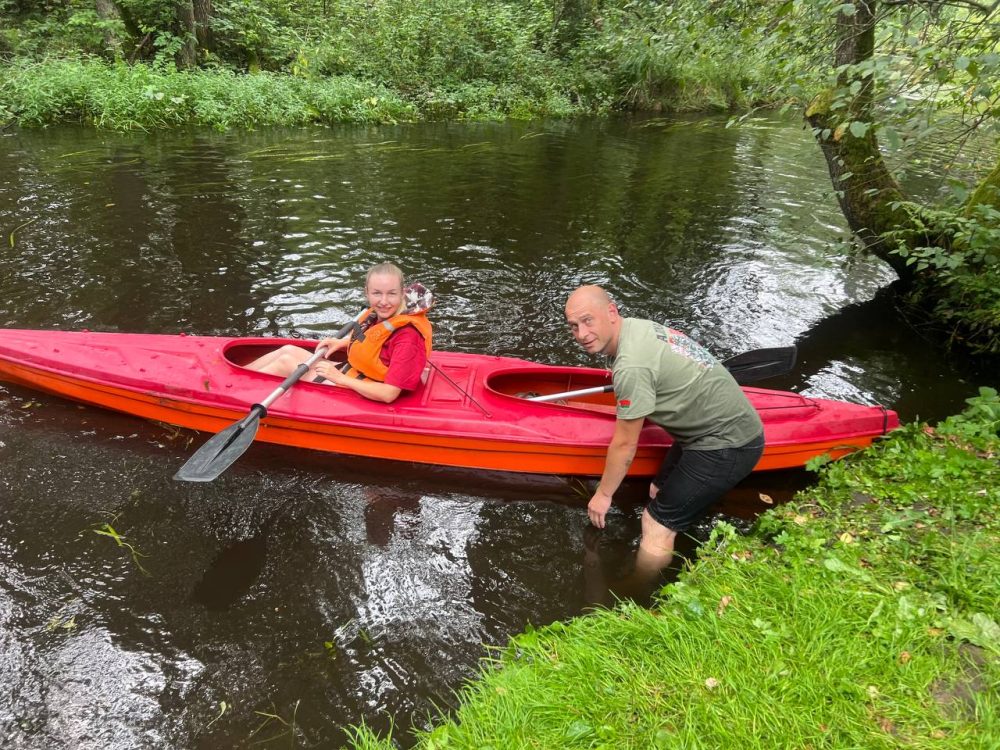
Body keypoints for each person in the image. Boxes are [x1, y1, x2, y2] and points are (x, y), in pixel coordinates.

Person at [564, 285, 764, 571]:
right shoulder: (635, 328)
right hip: (700, 431)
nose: (581, 334)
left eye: (588, 321)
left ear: (611, 312)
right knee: (657, 489)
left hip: (728, 442)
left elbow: (624, 444)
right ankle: (677, 535)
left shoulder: (632, 367)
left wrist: (603, 495)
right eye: (574, 326)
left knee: (655, 524)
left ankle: (636, 596)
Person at [245, 262, 432, 403]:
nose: (384, 301)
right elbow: (373, 345)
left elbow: (389, 394)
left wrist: (338, 378)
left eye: (391, 294)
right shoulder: (382, 315)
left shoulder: (408, 338)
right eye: (377, 293)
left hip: (363, 389)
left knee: (285, 363)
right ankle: (240, 377)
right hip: (354, 374)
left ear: (401, 294)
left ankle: (237, 396)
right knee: (288, 350)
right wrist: (342, 343)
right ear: (366, 292)